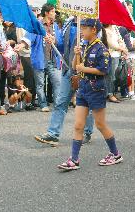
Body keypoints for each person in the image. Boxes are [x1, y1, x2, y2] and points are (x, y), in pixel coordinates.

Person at [57, 18, 123, 171]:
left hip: (96, 89)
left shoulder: (101, 48)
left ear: (94, 30)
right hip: (82, 89)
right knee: (78, 125)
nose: (82, 31)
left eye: (85, 28)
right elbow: (75, 67)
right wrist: (76, 55)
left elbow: (103, 70)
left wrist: (84, 69)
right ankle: (74, 159)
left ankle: (115, 154)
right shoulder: (83, 46)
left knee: (100, 124)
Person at [31, 16, 95, 146]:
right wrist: (53, 41)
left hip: (86, 71)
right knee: (60, 102)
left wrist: (83, 53)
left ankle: (86, 132)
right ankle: (53, 133)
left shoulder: (92, 22)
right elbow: (62, 46)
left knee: (86, 104)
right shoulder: (68, 22)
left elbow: (98, 45)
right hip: (68, 69)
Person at [29, 3, 62, 112]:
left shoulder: (55, 26)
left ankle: (57, 104)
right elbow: (30, 38)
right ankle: (43, 103)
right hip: (40, 58)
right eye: (52, 11)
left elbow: (60, 41)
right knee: (40, 83)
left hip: (52, 59)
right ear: (47, 13)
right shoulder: (37, 24)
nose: (54, 14)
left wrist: (54, 40)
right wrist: (22, 44)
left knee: (57, 81)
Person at [104, 23, 127, 103]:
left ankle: (113, 93)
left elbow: (120, 39)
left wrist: (123, 48)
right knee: (111, 76)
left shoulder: (115, 28)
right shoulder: (105, 30)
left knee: (116, 75)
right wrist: (121, 48)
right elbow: (110, 43)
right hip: (111, 55)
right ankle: (110, 94)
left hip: (118, 54)